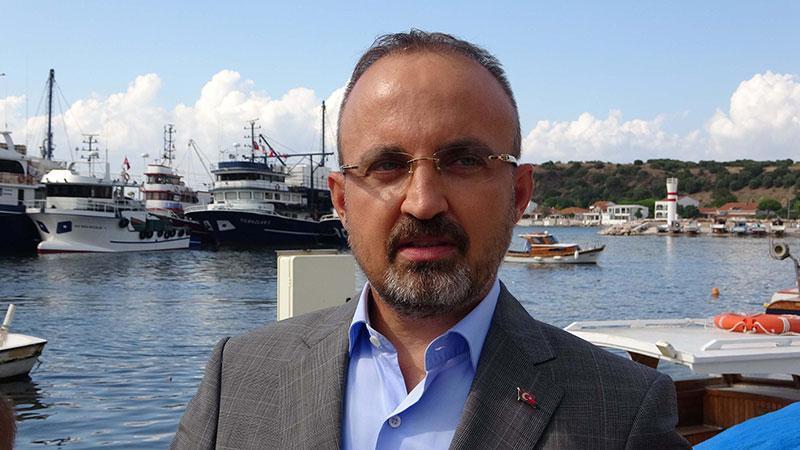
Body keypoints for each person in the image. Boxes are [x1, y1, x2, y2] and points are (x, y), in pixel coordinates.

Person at [172, 30, 690, 449]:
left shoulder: (621, 411)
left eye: (463, 161)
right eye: (387, 165)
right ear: (342, 200)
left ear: (518, 194)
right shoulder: (238, 378)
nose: (423, 203)